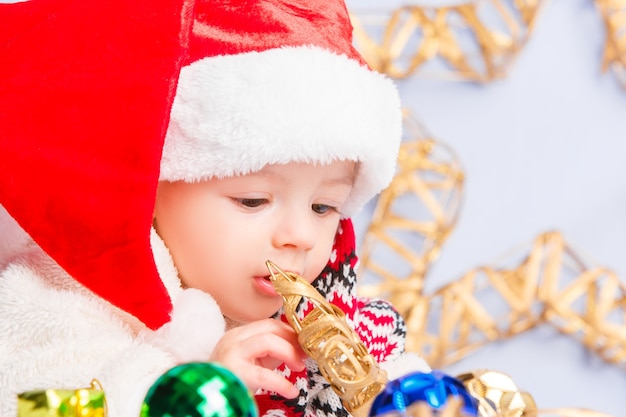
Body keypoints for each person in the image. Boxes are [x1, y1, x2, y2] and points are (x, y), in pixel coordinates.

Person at [0, 0, 430, 416]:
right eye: (253, 200)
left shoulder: (343, 337)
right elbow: (26, 407)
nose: (301, 235)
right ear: (146, 190)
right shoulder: (59, 302)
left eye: (324, 207)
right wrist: (197, 391)